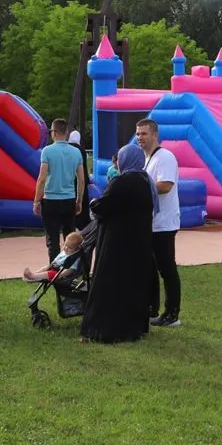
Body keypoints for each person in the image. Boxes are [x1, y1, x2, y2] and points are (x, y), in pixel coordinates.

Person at [81, 143, 156, 343]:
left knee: (111, 284)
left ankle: (107, 329)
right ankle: (134, 327)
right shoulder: (145, 181)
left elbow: (103, 206)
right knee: (133, 284)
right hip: (138, 243)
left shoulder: (122, 182)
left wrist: (93, 204)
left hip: (117, 243)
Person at [137, 118, 182, 328]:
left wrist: (138, 187)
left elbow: (165, 186)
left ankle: (172, 314)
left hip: (164, 223)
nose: (140, 138)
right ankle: (151, 308)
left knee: (167, 268)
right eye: (138, 134)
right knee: (150, 268)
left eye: (144, 134)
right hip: (151, 223)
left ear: (155, 135)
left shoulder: (165, 157)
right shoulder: (147, 158)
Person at [34, 119, 85, 266]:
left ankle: (55, 269)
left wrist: (36, 200)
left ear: (54, 132)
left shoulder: (47, 151)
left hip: (51, 199)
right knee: (71, 238)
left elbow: (42, 178)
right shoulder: (76, 152)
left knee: (53, 239)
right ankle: (72, 269)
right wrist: (79, 201)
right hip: (69, 199)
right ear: (66, 132)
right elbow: (81, 180)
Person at [68, 130, 93, 228]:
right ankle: (83, 223)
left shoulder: (66, 148)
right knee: (82, 201)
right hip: (79, 179)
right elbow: (84, 167)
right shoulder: (80, 150)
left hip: (68, 180)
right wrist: (88, 181)